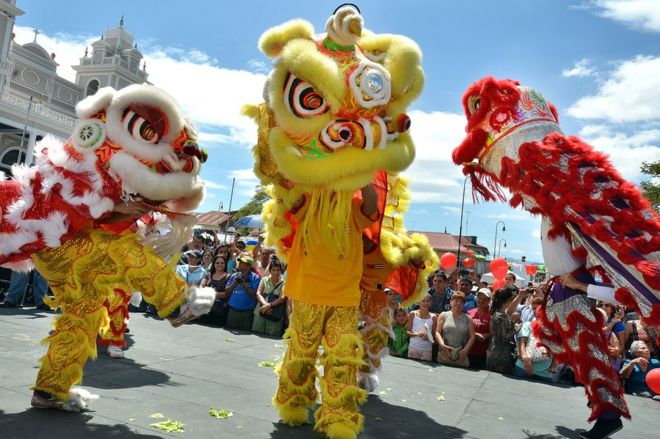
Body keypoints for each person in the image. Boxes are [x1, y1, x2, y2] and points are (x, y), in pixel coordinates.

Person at [514, 297, 555, 381]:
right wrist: (525, 360)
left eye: (537, 308)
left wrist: (554, 364)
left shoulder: (554, 328)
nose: (535, 311)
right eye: (533, 309)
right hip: (522, 368)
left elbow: (559, 349)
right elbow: (522, 344)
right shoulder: (528, 325)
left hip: (545, 372)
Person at [435, 292, 475, 368]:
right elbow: (437, 332)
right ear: (451, 301)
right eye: (456, 301)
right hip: (444, 356)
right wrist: (441, 344)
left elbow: (472, 337)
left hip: (460, 357)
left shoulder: (468, 319)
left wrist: (466, 350)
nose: (459, 303)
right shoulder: (444, 315)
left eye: (462, 302)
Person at [225, 253, 261, 331]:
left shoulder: (255, 277)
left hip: (247, 313)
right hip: (233, 311)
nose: (240, 264)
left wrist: (244, 285)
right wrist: (233, 283)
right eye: (240, 262)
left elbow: (253, 294)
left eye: (242, 263)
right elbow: (227, 292)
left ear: (248, 265)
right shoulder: (234, 276)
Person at [487, 285, 517, 374]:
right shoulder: (500, 316)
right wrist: (515, 328)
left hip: (499, 352)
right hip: (499, 354)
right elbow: (504, 337)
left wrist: (512, 323)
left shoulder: (501, 314)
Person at [252, 259, 286, 336]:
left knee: (271, 339)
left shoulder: (284, 283)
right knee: (256, 335)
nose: (276, 272)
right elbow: (258, 294)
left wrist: (268, 305)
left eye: (278, 270)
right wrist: (265, 305)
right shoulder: (264, 279)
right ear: (270, 271)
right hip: (260, 312)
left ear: (281, 271)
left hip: (275, 315)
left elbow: (282, 298)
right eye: (273, 270)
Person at [198, 255, 230, 327]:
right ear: (214, 264)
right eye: (217, 263)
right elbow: (201, 286)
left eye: (222, 263)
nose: (220, 265)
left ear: (225, 264)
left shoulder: (228, 277)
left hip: (219, 309)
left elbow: (227, 294)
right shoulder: (208, 274)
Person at [467, 288, 492, 369]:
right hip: (468, 351)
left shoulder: (492, 315)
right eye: (479, 298)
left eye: (485, 299)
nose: (481, 300)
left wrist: (485, 337)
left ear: (489, 301)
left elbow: (493, 332)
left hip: (483, 354)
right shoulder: (469, 313)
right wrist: (476, 334)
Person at [406, 293, 435, 361]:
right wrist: (417, 334)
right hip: (413, 348)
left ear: (431, 303)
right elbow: (407, 332)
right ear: (418, 302)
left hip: (427, 350)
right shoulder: (412, 314)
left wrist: (429, 337)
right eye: (423, 301)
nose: (425, 303)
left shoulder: (434, 317)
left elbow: (434, 336)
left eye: (428, 301)